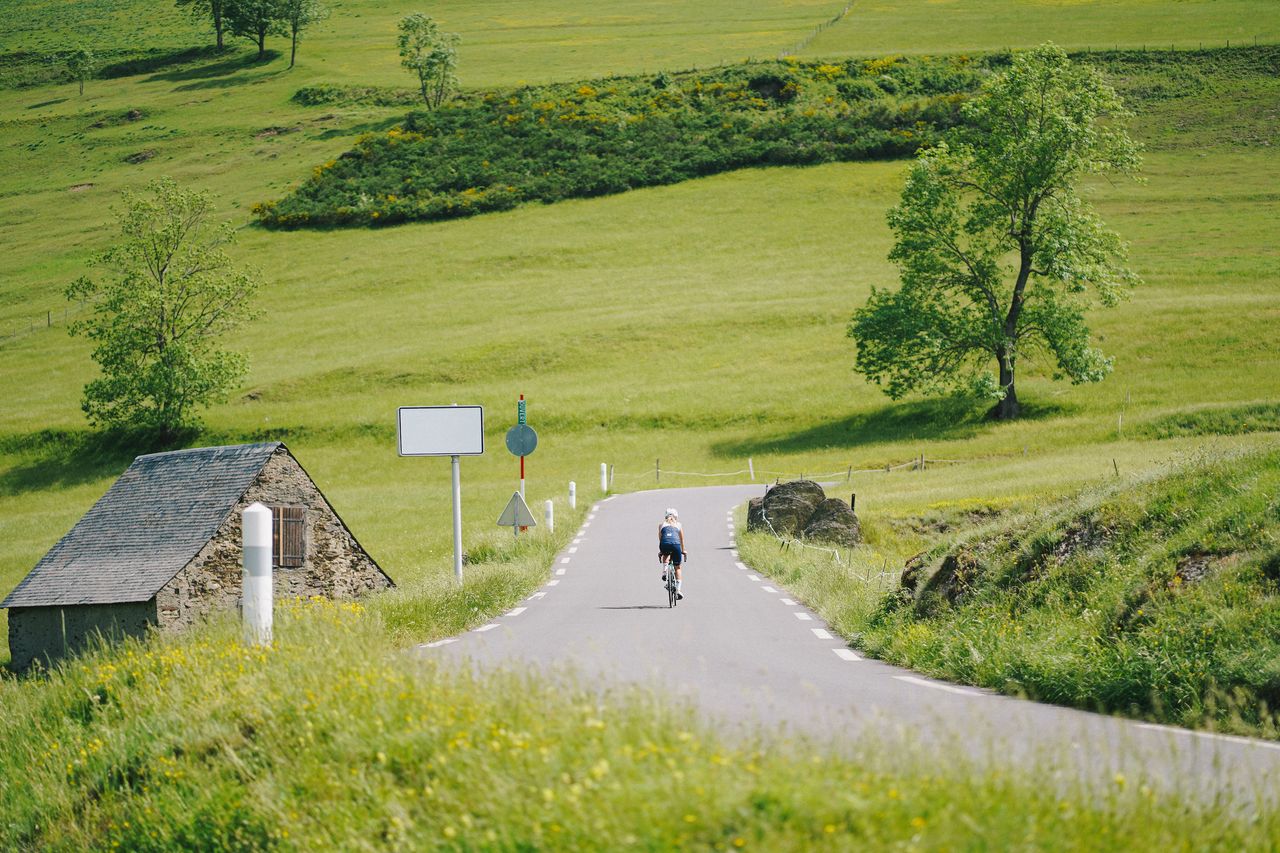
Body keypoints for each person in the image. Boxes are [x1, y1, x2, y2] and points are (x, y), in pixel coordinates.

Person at [658, 508, 686, 600]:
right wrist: (684, 550)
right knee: (677, 567)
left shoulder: (661, 525)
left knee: (666, 554)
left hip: (664, 544)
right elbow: (681, 539)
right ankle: (678, 590)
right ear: (676, 516)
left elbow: (661, 538)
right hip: (676, 545)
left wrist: (661, 551)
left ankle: (665, 570)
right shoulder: (678, 525)